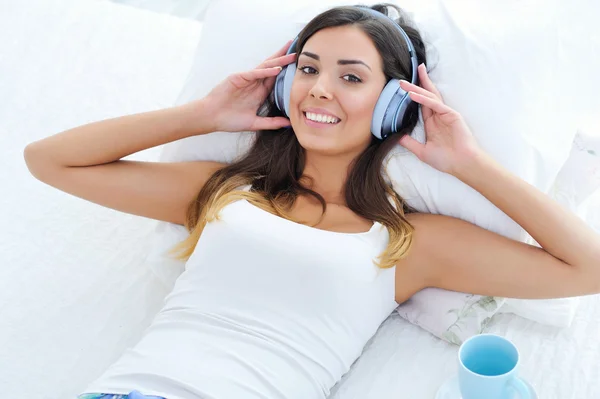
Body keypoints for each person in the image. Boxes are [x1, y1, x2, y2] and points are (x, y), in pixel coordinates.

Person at [23, 4, 600, 399]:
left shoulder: (409, 241)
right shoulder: (225, 192)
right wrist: (201, 115)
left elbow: (587, 268)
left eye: (351, 78)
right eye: (306, 69)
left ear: (394, 106)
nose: (319, 88)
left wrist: (471, 166)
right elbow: (49, 160)